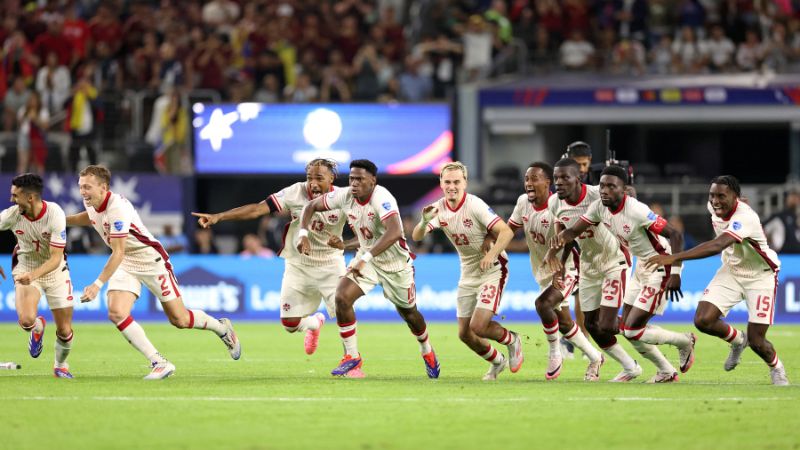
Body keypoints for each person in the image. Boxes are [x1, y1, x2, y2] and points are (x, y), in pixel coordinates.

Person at [67, 165, 240, 380]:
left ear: (103, 187)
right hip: (126, 262)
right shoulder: (92, 201)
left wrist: (97, 284)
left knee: (180, 319)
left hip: (151, 261)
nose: (82, 191)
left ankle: (222, 328)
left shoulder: (117, 208)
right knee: (116, 312)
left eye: (87, 187)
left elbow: (118, 251)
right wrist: (63, 221)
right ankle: (159, 362)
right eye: (80, 186)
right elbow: (91, 217)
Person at [297, 159, 440, 379]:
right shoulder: (345, 196)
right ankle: (352, 356)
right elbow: (310, 206)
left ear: (373, 181)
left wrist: (366, 256)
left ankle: (427, 350)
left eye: (360, 179)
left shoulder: (382, 197)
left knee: (409, 313)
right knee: (342, 297)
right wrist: (304, 234)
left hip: (395, 265)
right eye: (352, 178)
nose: (354, 183)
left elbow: (394, 232)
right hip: (367, 261)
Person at [554, 165, 695, 383]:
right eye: (602, 185)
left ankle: (684, 341)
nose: (605, 190)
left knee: (630, 328)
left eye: (612, 186)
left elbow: (675, 234)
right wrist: (562, 236)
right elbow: (575, 230)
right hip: (641, 267)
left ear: (623, 189)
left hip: (661, 265)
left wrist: (675, 271)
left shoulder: (636, 210)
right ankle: (666, 371)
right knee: (625, 327)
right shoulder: (599, 207)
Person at [193, 159, 346, 355]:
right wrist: (219, 216)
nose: (313, 183)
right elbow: (257, 209)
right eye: (309, 178)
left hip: (330, 263)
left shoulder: (343, 197)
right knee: (289, 323)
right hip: (298, 263)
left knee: (344, 312)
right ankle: (315, 323)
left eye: (319, 178)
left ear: (332, 177)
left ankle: (351, 359)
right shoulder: (295, 192)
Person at [646, 176, 788, 385]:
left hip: (760, 276)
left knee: (758, 341)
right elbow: (729, 209)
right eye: (712, 195)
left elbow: (716, 245)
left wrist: (674, 257)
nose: (715, 201)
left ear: (735, 198)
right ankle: (738, 341)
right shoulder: (715, 207)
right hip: (732, 270)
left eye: (721, 196)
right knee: (703, 320)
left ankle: (777, 368)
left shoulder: (745, 217)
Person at [411, 162, 522, 381]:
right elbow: (416, 236)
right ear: (441, 183)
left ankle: (512, 340)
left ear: (465, 183)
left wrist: (491, 255)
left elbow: (506, 232)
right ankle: (497, 361)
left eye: (457, 182)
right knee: (464, 334)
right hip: (468, 272)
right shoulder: (438, 208)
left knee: (479, 326)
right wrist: (423, 221)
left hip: (493, 269)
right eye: (448, 182)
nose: (452, 186)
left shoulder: (475, 205)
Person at [544, 159, 639, 382]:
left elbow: (628, 194)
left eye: (565, 177)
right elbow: (565, 236)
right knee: (591, 325)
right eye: (556, 178)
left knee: (608, 324)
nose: (558, 182)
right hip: (588, 264)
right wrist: (560, 264)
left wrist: (629, 193)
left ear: (578, 178)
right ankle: (629, 366)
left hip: (614, 259)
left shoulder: (597, 194)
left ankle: (645, 331)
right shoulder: (555, 203)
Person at [507, 162, 604, 380]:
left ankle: (554, 352)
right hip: (542, 271)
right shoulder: (523, 203)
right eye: (526, 179)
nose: (529, 184)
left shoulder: (557, 204)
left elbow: (569, 236)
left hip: (566, 266)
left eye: (534, 179)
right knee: (565, 322)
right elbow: (509, 229)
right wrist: (491, 244)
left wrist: (557, 259)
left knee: (543, 304)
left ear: (547, 183)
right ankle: (595, 357)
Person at [0, 174, 74, 378]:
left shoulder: (55, 214)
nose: (11, 200)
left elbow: (56, 258)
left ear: (30, 198)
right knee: (26, 321)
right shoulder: (12, 215)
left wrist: (34, 275)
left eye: (15, 196)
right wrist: (29, 275)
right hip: (25, 266)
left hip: (55, 271)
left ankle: (60, 365)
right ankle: (38, 326)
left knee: (65, 331)